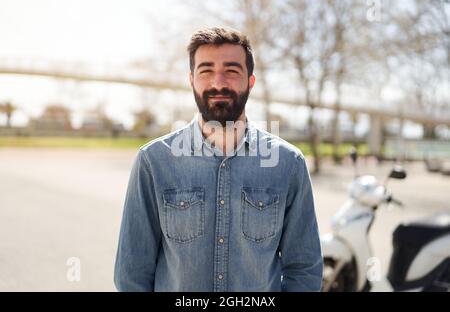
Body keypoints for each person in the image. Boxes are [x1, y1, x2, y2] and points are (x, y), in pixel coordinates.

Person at [114, 27, 323, 292]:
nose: (218, 83)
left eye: (232, 71)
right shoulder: (153, 162)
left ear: (251, 81)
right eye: (206, 71)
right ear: (191, 80)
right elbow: (132, 274)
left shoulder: (288, 163)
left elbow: (304, 269)